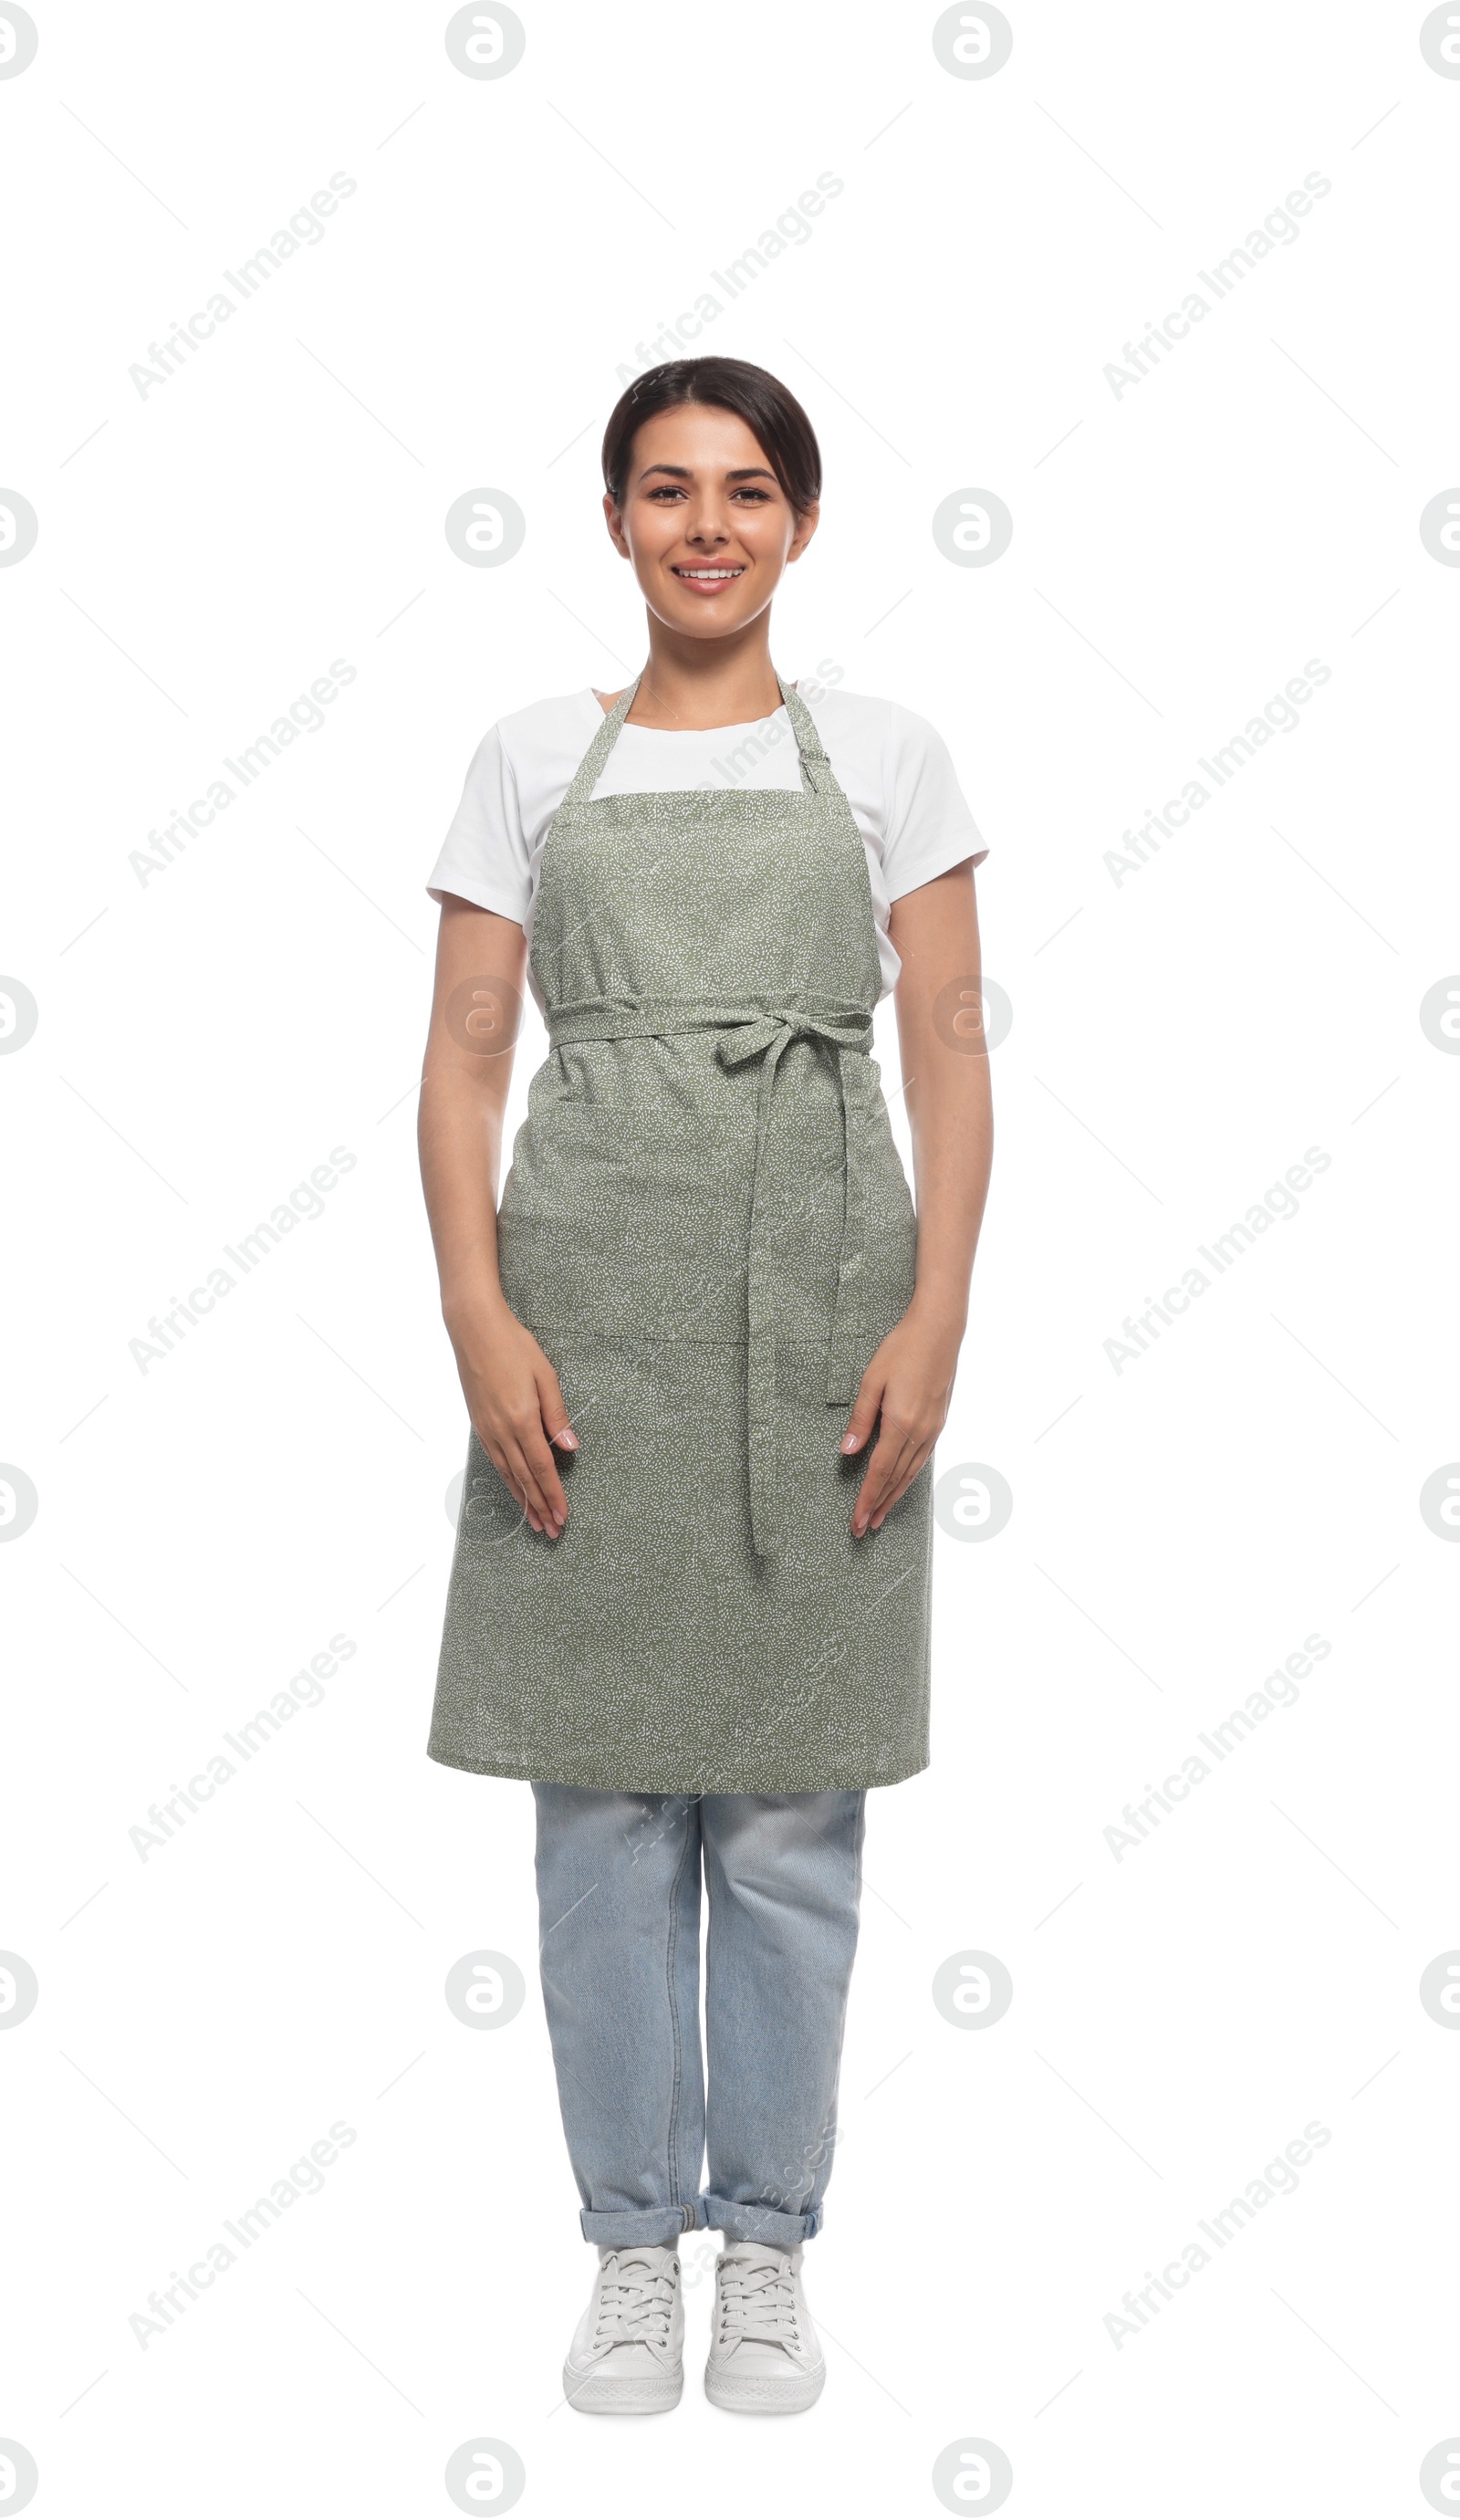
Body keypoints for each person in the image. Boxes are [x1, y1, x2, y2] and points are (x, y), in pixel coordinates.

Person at [418, 356, 992, 2416]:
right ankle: (621, 2248)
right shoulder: (517, 760)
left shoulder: (892, 760)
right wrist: (481, 1317)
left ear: (802, 524)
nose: (706, 524)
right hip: (587, 1300)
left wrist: (930, 1317)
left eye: (745, 490)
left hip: (822, 1286)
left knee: (783, 1811)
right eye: (664, 490)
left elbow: (946, 1049)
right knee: (597, 1808)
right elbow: (468, 1059)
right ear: (613, 523)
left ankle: (764, 2242)